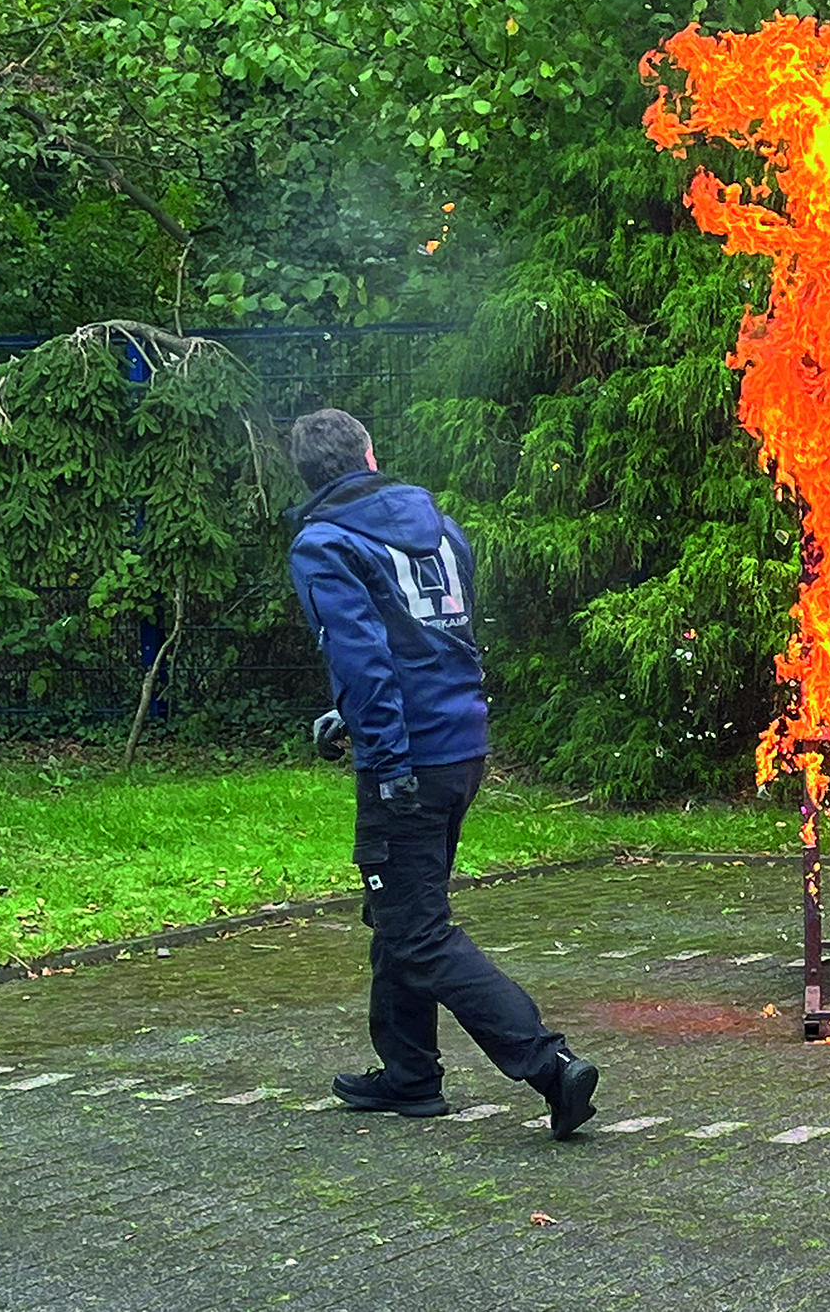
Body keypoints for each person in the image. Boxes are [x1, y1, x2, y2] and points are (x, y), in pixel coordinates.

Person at [284, 407, 598, 1138]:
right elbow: (436, 641)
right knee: (399, 912)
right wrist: (354, 717)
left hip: (410, 762)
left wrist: (385, 756)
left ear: (307, 477)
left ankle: (550, 1065)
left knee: (419, 929)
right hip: (462, 746)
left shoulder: (324, 544)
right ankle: (409, 1077)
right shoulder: (440, 526)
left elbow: (362, 657)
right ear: (370, 455)